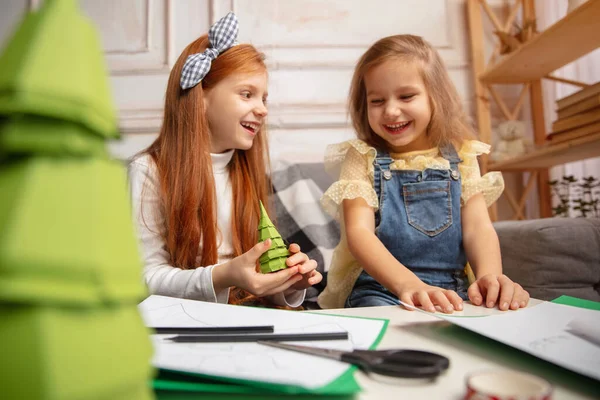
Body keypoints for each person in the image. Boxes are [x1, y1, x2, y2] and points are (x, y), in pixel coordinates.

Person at [318, 34, 529, 312]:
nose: (391, 111)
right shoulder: (362, 156)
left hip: (453, 289)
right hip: (382, 288)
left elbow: (478, 228)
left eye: (406, 96)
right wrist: (408, 285)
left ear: (435, 98)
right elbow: (360, 234)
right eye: (377, 101)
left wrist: (490, 276)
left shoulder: (462, 154)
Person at [128, 12, 321, 308]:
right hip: (185, 320)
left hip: (248, 316)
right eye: (247, 94)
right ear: (201, 97)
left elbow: (253, 283)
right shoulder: (148, 171)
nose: (262, 110)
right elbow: (144, 278)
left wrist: (289, 283)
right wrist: (223, 275)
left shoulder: (244, 170)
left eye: (264, 99)